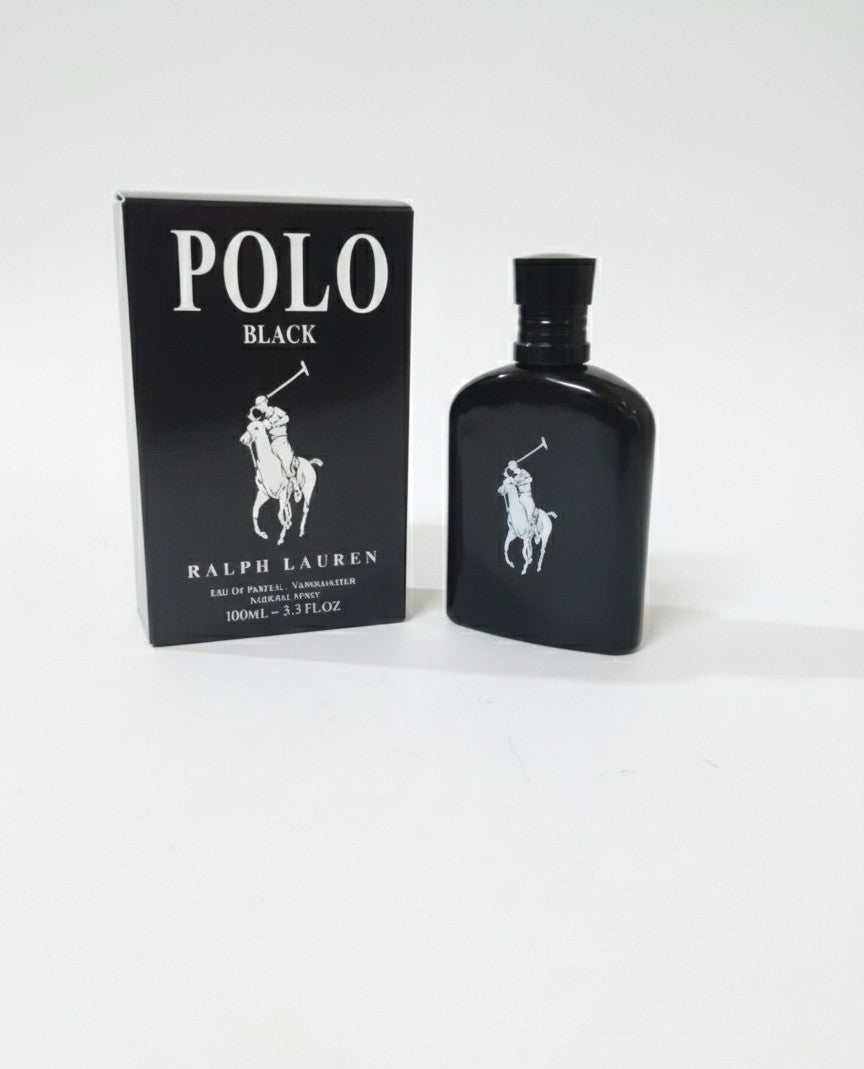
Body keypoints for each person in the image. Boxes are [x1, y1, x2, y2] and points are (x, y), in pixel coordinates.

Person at [251, 395, 297, 491]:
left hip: (281, 439)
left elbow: (286, 418)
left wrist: (274, 424)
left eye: (259, 404)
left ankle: (294, 483)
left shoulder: (275, 410)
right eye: (257, 406)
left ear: (265, 402)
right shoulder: (262, 418)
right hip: (271, 442)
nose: (259, 407)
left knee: (283, 457)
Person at [501, 460, 539, 531]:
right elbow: (510, 485)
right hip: (519, 497)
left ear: (515, 465)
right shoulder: (514, 477)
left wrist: (520, 481)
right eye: (510, 466)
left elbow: (530, 479)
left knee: (529, 511)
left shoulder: (522, 471)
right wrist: (507, 479)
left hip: (526, 495)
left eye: (511, 465)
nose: (511, 468)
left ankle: (534, 526)